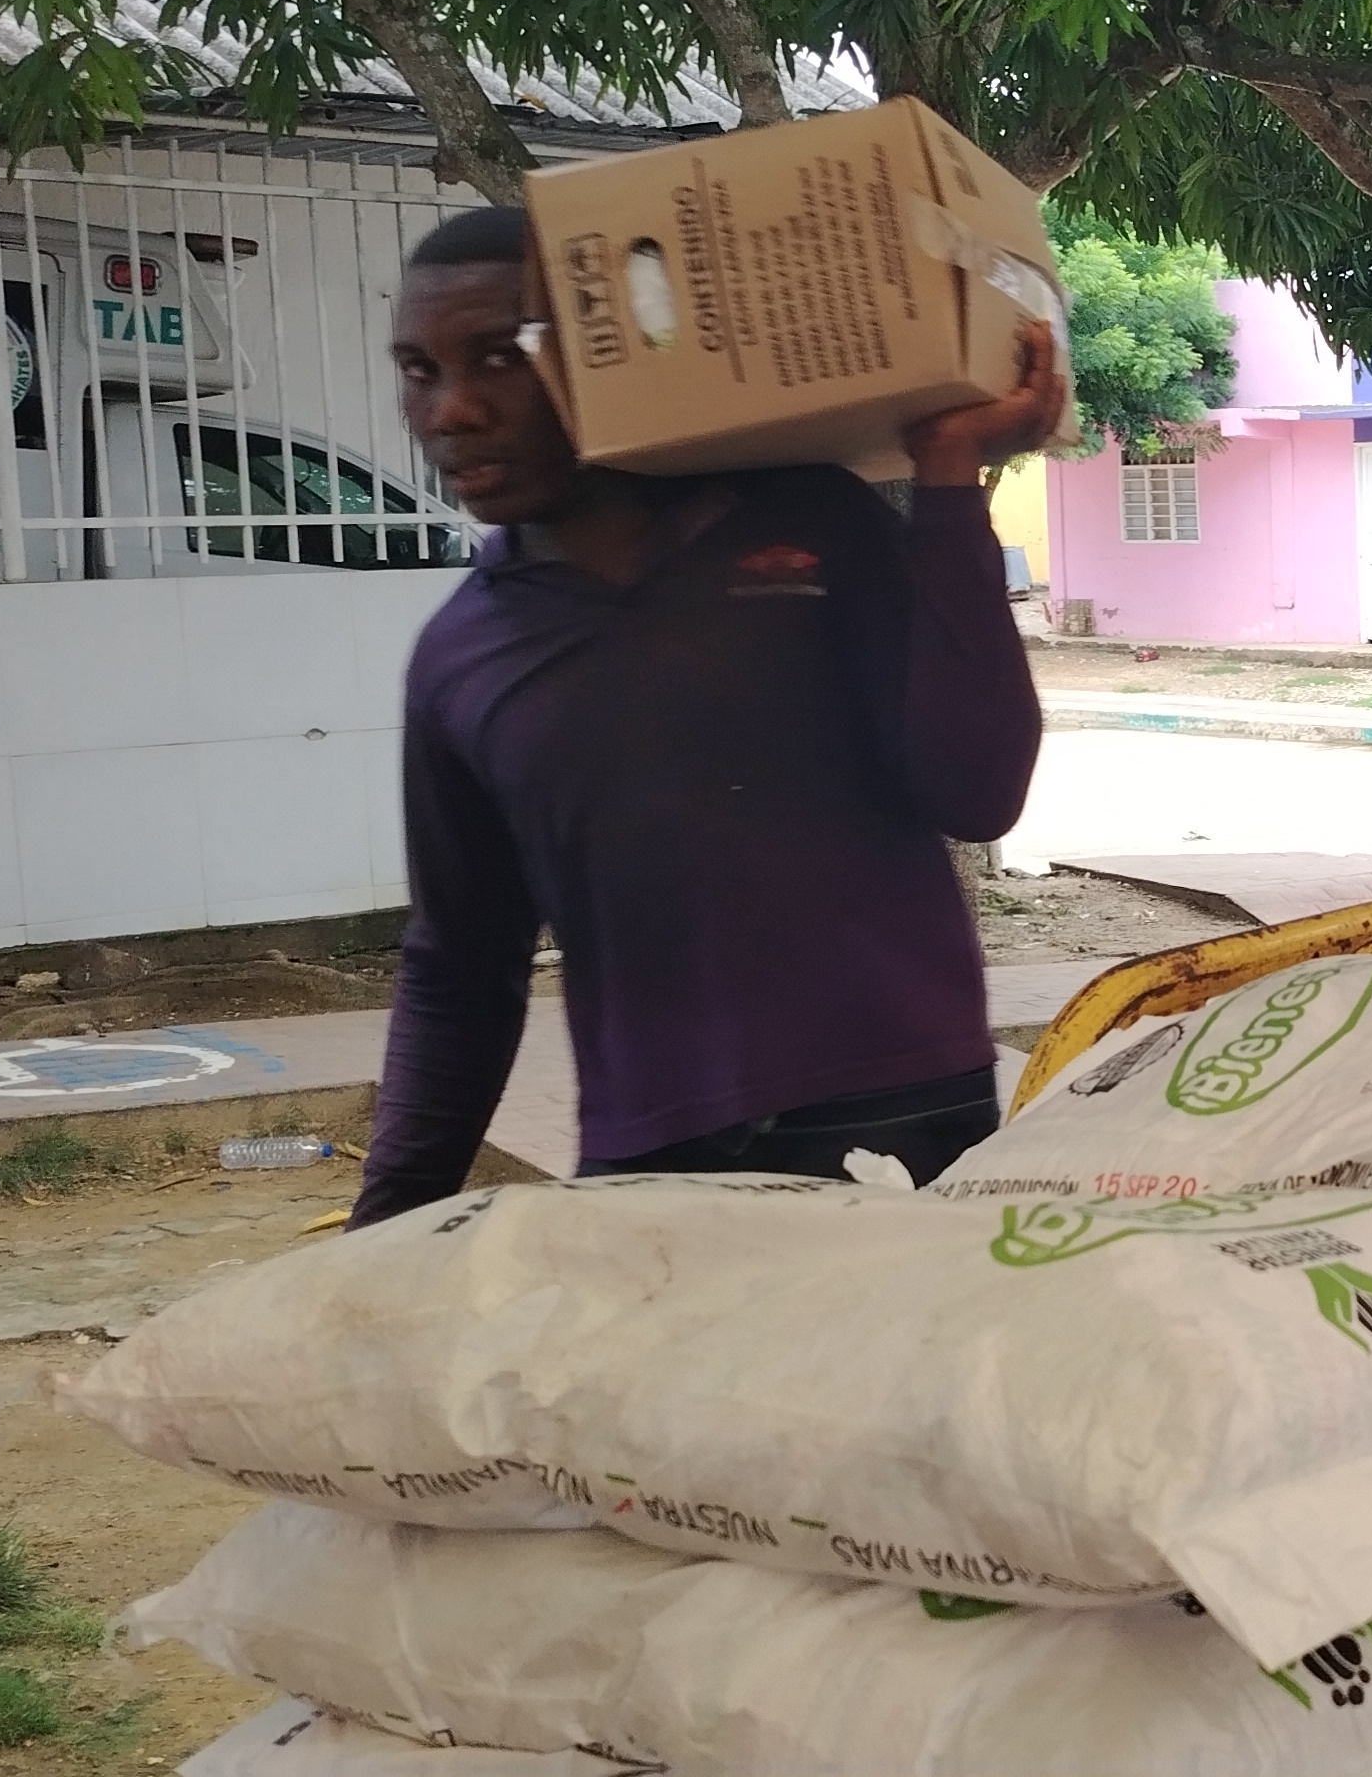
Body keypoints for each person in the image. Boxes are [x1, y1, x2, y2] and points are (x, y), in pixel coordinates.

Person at [347, 206, 1063, 1229]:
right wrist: (383, 1232)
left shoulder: (806, 520)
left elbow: (977, 787)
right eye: (419, 370)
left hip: (905, 1118)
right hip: (652, 1162)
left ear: (610, 353)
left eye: (502, 357)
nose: (452, 410)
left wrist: (949, 485)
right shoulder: (461, 659)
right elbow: (460, 965)